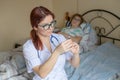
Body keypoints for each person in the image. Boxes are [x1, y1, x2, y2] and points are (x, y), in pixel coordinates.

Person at [23, 6, 80, 80]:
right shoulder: (29, 47)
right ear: (35, 27)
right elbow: (42, 74)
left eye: (52, 23)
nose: (51, 28)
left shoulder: (59, 38)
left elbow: (75, 64)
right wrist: (57, 52)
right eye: (46, 25)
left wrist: (76, 54)